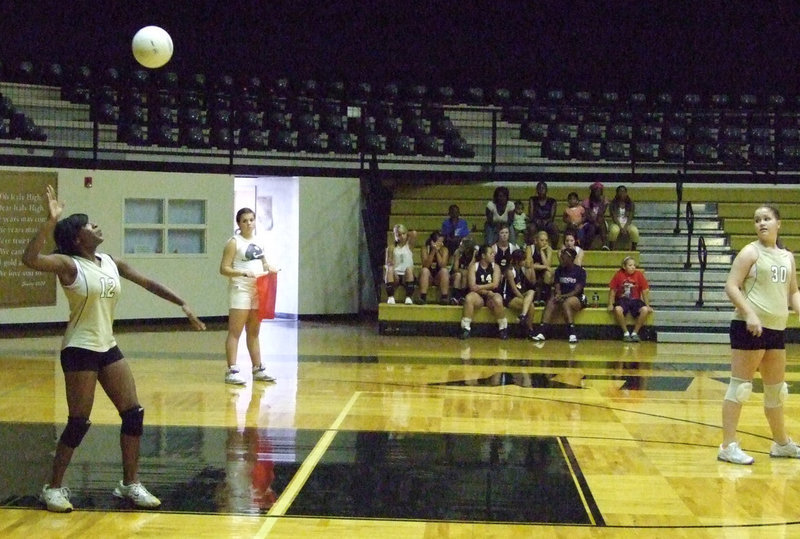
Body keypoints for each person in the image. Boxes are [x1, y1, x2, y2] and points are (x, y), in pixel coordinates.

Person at [21, 185, 206, 513]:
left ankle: (129, 484)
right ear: (78, 238)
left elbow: (147, 281)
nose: (96, 227)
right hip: (80, 349)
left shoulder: (109, 261)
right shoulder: (69, 265)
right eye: (89, 225)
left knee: (133, 414)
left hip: (107, 346)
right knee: (79, 421)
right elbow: (31, 259)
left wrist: (183, 303)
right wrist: (50, 222)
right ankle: (52, 488)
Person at [718, 204, 800, 465]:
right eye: (757, 220)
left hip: (776, 329)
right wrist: (750, 314)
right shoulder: (750, 252)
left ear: (778, 223)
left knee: (777, 391)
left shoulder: (787, 257)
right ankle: (728, 445)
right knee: (740, 387)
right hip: (748, 327)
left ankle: (782, 443)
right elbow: (731, 286)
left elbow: (793, 291)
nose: (761, 223)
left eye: (766, 218)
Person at [220, 208, 280, 385]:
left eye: (251, 220)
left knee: (254, 331)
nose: (249, 223)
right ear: (239, 223)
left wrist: (270, 267)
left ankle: (257, 368)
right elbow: (224, 268)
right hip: (240, 289)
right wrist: (242, 273)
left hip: (256, 290)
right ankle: (232, 370)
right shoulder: (233, 242)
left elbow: (264, 262)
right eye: (244, 220)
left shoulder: (259, 241)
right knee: (235, 331)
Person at [530, 248, 587, 344]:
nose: (561, 259)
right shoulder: (559, 270)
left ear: (571, 258)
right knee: (551, 301)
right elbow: (557, 286)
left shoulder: (580, 271)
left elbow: (577, 290)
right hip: (563, 296)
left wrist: (564, 296)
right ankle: (542, 331)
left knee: (566, 303)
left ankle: (572, 333)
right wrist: (558, 295)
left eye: (563, 258)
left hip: (577, 298)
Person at [458, 244, 508, 340]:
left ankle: (503, 328)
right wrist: (486, 292)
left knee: (498, 299)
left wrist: (480, 287)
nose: (493, 255)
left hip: (492, 297)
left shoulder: (496, 267)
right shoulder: (474, 267)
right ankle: (466, 328)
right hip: (479, 296)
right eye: (491, 253)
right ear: (483, 256)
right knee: (469, 298)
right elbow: (472, 286)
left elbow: (495, 285)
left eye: (493, 253)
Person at [608, 256, 653, 342]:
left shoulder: (639, 274)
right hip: (622, 300)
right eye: (630, 265)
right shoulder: (618, 274)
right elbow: (613, 290)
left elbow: (644, 291)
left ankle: (635, 332)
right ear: (624, 267)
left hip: (635, 300)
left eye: (634, 265)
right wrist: (610, 304)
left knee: (644, 310)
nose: (633, 267)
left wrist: (647, 305)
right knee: (617, 309)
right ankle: (626, 333)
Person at [502, 249, 536, 336]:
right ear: (517, 261)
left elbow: (533, 283)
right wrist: (524, 299)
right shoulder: (510, 271)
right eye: (523, 260)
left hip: (519, 295)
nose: (525, 262)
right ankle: (529, 329)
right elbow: (514, 290)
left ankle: (523, 315)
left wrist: (531, 267)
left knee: (531, 292)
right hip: (509, 297)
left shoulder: (520, 270)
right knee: (530, 305)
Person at [383, 223, 418, 305]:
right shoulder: (391, 248)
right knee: (389, 269)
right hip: (396, 275)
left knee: (409, 269)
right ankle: (390, 297)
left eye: (403, 234)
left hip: (406, 275)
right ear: (395, 236)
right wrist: (390, 262)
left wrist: (404, 232)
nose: (401, 236)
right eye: (398, 235)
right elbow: (388, 262)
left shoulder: (409, 245)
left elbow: (414, 233)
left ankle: (408, 297)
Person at [418, 230, 450, 305]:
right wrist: (433, 251)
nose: (441, 244)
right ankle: (423, 297)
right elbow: (426, 265)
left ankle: (444, 297)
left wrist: (437, 252)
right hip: (428, 277)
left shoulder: (445, 250)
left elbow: (442, 265)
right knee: (425, 270)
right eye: (439, 242)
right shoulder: (425, 249)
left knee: (444, 271)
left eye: (442, 242)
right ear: (433, 242)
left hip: (439, 277)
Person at [525, 230, 554, 305]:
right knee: (530, 270)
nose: (544, 242)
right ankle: (534, 296)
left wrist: (542, 252)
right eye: (542, 240)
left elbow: (548, 265)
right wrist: (543, 267)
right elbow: (529, 264)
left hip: (542, 272)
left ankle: (544, 298)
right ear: (536, 241)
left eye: (546, 240)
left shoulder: (549, 249)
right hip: (533, 272)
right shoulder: (529, 248)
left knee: (548, 274)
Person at [607, 185, 640, 250]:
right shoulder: (613, 204)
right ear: (617, 193)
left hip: (627, 223)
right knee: (614, 231)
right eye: (620, 192)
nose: (622, 194)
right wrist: (620, 227)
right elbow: (614, 217)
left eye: (624, 192)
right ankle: (611, 249)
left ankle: (633, 249)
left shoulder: (631, 203)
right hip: (616, 223)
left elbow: (630, 217)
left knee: (635, 231)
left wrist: (625, 227)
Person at [527, 180, 559, 248]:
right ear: (537, 190)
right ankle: (531, 248)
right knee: (531, 228)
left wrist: (546, 221)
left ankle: (554, 248)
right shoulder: (532, 199)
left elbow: (552, 217)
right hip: (536, 222)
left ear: (546, 190)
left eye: (543, 188)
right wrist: (536, 221)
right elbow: (531, 215)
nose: (541, 190)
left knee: (554, 227)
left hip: (547, 222)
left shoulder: (552, 201)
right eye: (539, 188)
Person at [579, 181, 609, 250]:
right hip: (589, 222)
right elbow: (588, 215)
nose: (597, 193)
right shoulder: (587, 201)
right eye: (596, 191)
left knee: (601, 222)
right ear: (592, 192)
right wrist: (594, 222)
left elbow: (601, 213)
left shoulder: (604, 200)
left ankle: (605, 245)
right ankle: (587, 247)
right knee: (592, 228)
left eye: (599, 191)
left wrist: (601, 201)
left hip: (600, 221)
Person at [449, 237, 477, 305]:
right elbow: (455, 268)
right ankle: (454, 297)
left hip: (466, 274)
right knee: (459, 275)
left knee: (466, 274)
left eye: (462, 244)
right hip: (454, 274)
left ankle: (462, 296)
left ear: (467, 248)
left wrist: (473, 257)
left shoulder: (474, 254)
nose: (460, 245)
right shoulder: (457, 252)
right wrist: (463, 271)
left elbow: (471, 268)